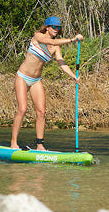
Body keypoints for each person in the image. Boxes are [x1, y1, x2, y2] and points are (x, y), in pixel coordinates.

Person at [10, 16, 83, 151]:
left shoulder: (55, 47)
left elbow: (61, 62)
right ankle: (13, 143)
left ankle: (40, 145)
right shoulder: (38, 36)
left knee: (41, 112)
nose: (56, 29)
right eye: (54, 27)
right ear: (47, 27)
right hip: (22, 77)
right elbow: (52, 42)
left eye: (58, 28)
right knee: (22, 109)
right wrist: (73, 39)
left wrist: (73, 76)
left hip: (36, 80)